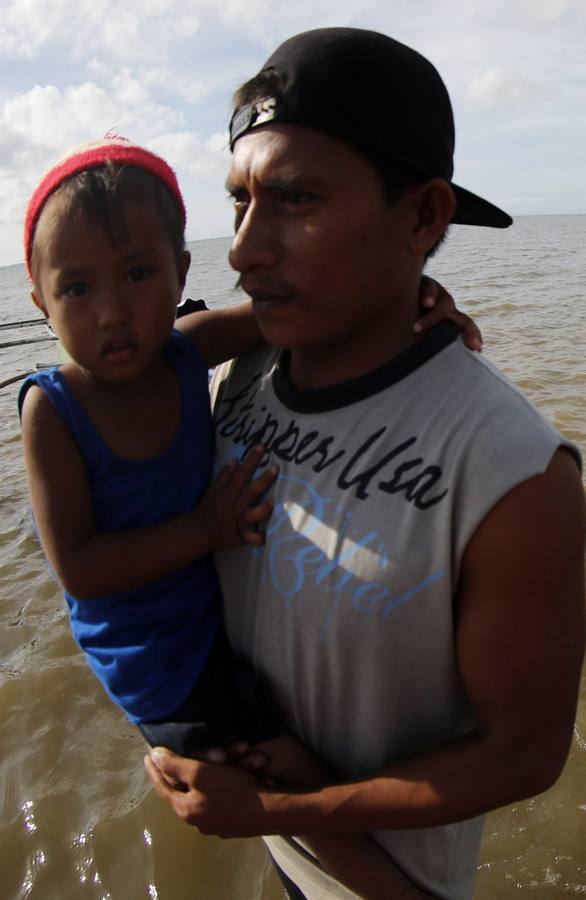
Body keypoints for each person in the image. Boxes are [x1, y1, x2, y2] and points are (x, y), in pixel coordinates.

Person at [142, 27, 586, 899]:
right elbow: (109, 387)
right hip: (265, 845)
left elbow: (526, 753)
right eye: (238, 202)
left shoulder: (508, 473)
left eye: (297, 199)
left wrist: (281, 809)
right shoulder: (245, 374)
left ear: (422, 216)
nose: (242, 249)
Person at [18, 137, 444, 897]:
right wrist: (203, 531)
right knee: (298, 784)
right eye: (77, 289)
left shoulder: (187, 351)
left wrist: (410, 299)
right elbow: (80, 568)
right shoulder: (54, 411)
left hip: (216, 621)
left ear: (183, 274)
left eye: (139, 275)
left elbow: (299, 314)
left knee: (320, 763)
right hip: (157, 663)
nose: (113, 314)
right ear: (38, 298)